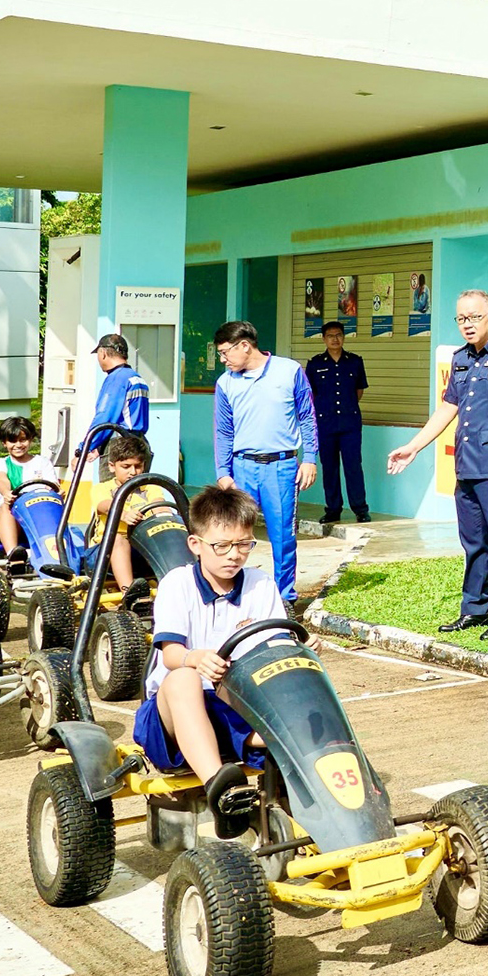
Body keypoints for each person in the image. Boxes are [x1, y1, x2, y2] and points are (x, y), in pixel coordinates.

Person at [387, 291, 488, 641]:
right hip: (467, 464)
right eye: (461, 319)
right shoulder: (460, 359)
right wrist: (413, 447)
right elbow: (447, 409)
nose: (467, 325)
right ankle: (474, 609)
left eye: (474, 317)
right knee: (473, 542)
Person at [132, 485, 287, 821]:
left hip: (236, 704)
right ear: (196, 545)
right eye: (222, 546)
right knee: (184, 678)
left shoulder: (261, 584)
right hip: (173, 713)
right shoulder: (178, 583)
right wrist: (195, 658)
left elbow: (275, 646)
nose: (234, 555)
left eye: (244, 545)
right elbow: (171, 654)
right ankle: (221, 788)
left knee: (297, 688)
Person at [211, 321, 318, 603]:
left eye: (225, 353)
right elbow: (223, 430)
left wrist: (309, 459)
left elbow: (307, 416)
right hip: (242, 468)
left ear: (245, 345)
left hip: (281, 468)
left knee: (283, 537)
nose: (223, 360)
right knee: (233, 536)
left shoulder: (289, 371)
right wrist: (223, 472)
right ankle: (233, 593)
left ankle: (284, 599)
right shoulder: (225, 383)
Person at [305, 321, 370, 525]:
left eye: (339, 335)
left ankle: (360, 509)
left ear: (344, 337)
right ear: (324, 339)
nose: (335, 339)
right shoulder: (315, 364)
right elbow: (311, 395)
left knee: (353, 466)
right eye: (331, 335)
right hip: (325, 424)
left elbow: (359, 391)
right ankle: (333, 509)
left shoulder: (355, 362)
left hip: (350, 424)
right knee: (330, 468)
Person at [88, 432, 169, 593]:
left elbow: (158, 504)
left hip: (142, 550)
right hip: (104, 553)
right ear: (112, 466)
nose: (133, 472)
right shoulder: (102, 489)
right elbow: (106, 505)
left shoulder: (150, 487)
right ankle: (129, 593)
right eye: (126, 467)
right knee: (118, 539)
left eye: (138, 466)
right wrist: (124, 515)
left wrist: (163, 513)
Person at [0, 416, 58, 556]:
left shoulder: (42, 463)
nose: (18, 445)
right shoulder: (1, 463)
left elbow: (53, 485)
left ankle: (57, 555)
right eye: (13, 441)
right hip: (12, 519)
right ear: (4, 443)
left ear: (31, 439)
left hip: (39, 517)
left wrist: (56, 491)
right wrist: (7, 493)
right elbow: (1, 480)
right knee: (6, 509)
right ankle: (13, 556)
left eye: (23, 440)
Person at [90, 333, 151, 439]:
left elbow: (104, 418)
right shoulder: (137, 378)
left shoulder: (116, 379)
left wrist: (85, 447)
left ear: (103, 353)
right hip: (139, 444)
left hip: (122, 444)